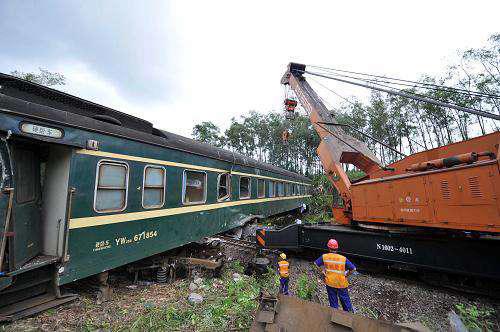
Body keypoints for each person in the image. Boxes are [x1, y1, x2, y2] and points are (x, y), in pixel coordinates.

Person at [314, 239, 355, 311]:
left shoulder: (324, 257)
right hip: (341, 283)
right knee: (346, 302)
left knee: (333, 303)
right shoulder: (343, 258)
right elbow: (353, 269)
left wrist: (323, 272)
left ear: (329, 248)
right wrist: (346, 275)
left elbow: (315, 264)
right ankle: (349, 317)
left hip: (330, 283)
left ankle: (334, 316)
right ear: (337, 248)